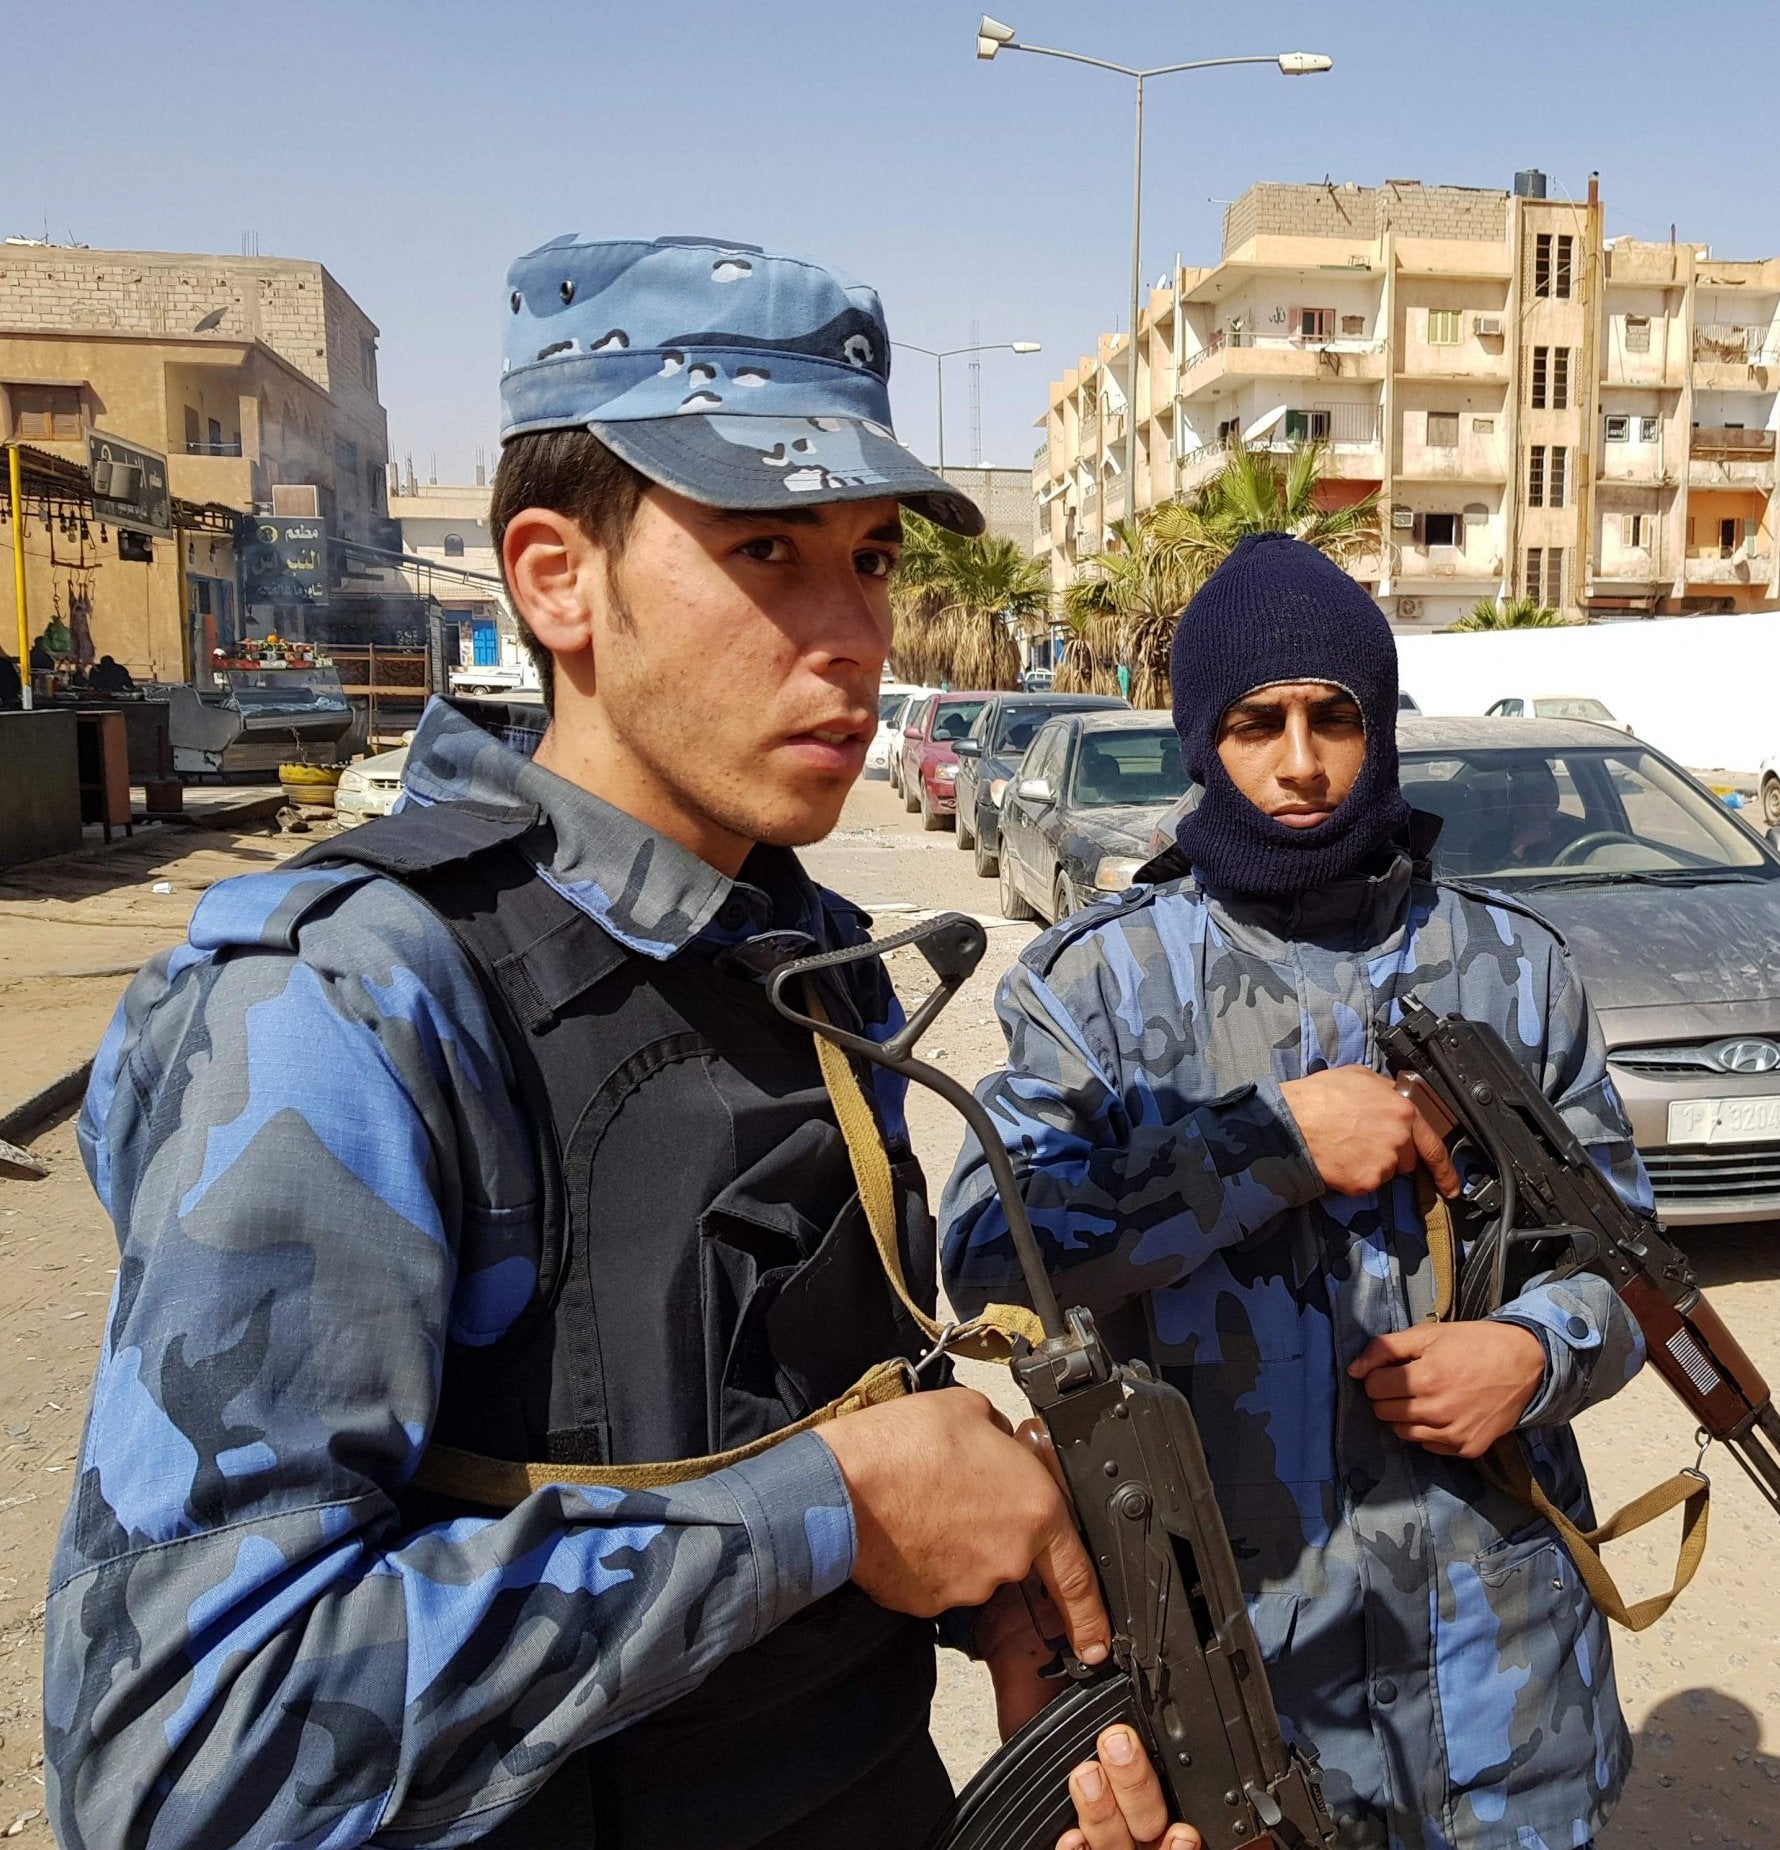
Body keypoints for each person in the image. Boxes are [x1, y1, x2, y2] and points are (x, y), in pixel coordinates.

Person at [47, 235, 1186, 1850]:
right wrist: (831, 1513)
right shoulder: (351, 1006)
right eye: (769, 550)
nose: (856, 634)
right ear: (552, 577)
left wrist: (990, 1580)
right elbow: (186, 1758)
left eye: (870, 558)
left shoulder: (809, 967)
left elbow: (785, 1430)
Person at [943, 534, 1655, 1849]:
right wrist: (1263, 1146)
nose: (1300, 761)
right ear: (1198, 736)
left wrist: (1529, 1353)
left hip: (1496, 1692)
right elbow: (987, 1251)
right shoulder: (1096, 987)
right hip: (1237, 1696)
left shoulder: (1514, 968)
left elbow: (1628, 1266)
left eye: (1334, 717)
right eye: (1255, 721)